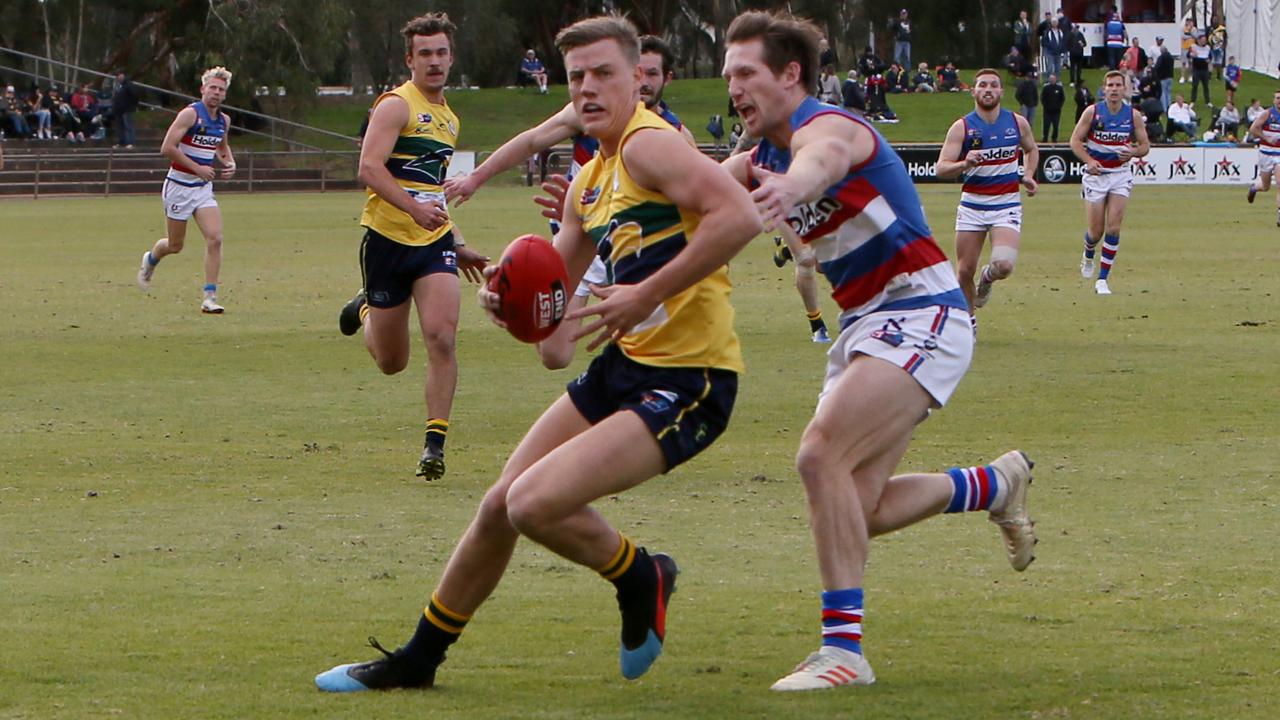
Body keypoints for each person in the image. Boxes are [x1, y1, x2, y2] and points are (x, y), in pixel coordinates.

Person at [315, 13, 762, 693]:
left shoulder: (650, 145)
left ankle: (642, 574)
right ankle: (419, 659)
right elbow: (555, 343)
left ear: (637, 77)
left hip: (690, 379)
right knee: (500, 503)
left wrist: (644, 296)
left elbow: (740, 216)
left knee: (531, 504)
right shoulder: (589, 183)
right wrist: (511, 308)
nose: (587, 88)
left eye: (604, 73)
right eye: (576, 76)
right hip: (624, 367)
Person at [719, 11, 1034, 692]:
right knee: (853, 511)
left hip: (923, 311)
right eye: (728, 76)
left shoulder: (828, 129)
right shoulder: (757, 158)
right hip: (865, 325)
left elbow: (820, 165)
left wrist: (790, 189)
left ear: (791, 74)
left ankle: (843, 653)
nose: (734, 89)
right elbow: (694, 187)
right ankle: (991, 485)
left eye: (746, 73)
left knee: (817, 456)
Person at [444, 33, 696, 369]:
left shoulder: (672, 138)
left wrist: (601, 205)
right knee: (554, 353)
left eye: (653, 74)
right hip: (583, 238)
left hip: (637, 248)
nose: (645, 83)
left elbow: (702, 212)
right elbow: (532, 139)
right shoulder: (587, 116)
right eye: (641, 71)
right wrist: (476, 177)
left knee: (641, 350)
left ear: (667, 78)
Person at [334, 14, 488, 480]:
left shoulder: (449, 118)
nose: (435, 61)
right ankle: (365, 309)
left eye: (441, 52)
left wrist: (455, 241)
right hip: (385, 243)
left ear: (451, 57)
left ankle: (434, 445)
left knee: (441, 337)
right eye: (425, 53)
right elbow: (369, 168)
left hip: (432, 245)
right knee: (391, 362)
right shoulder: (395, 106)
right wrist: (412, 210)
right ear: (410, 59)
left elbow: (433, 191)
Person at [936, 69, 1039, 318]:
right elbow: (941, 168)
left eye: (994, 85)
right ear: (974, 91)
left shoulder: (1017, 123)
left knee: (1003, 265)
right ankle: (968, 322)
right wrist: (964, 163)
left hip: (1006, 205)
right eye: (983, 85)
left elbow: (1031, 149)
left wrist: (1028, 174)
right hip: (972, 206)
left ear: (1001, 91)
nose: (988, 89)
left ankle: (987, 277)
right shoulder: (962, 127)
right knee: (963, 271)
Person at [136, 67, 238, 314]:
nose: (216, 93)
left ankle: (209, 297)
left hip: (202, 189)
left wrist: (229, 163)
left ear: (225, 95)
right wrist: (198, 168)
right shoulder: (189, 114)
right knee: (175, 245)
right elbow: (167, 148)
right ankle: (151, 259)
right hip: (179, 187)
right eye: (212, 87)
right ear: (203, 89)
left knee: (215, 238)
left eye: (221, 90)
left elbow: (221, 147)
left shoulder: (223, 121)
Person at [1069, 70, 1150, 295]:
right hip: (1096, 176)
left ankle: (1103, 279)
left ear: (1125, 89)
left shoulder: (1132, 115)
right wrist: (1089, 160)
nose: (1114, 89)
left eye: (1118, 85)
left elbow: (1145, 146)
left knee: (1114, 226)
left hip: (1120, 174)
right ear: (1104, 89)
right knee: (1096, 231)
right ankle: (1088, 252)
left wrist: (1133, 151)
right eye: (1110, 85)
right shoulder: (1092, 112)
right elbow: (1075, 141)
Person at [1245, 89, 1280, 227]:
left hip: (1279, 155)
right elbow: (1253, 129)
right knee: (1265, 186)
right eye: (1277, 98)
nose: (1279, 100)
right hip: (1265, 154)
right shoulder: (1267, 114)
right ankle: (1254, 188)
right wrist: (1266, 138)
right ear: (1274, 100)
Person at [111, 71, 139, 148]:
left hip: (127, 109)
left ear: (123, 75)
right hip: (118, 109)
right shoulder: (117, 86)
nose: (118, 77)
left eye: (119, 75)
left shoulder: (128, 84)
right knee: (120, 127)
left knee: (128, 126)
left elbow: (135, 95)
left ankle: (130, 142)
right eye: (116, 76)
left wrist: (132, 105)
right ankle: (121, 141)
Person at [1041, 72, 1066, 142]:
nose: (1052, 80)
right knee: (1046, 125)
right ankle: (1045, 137)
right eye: (1050, 79)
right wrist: (1045, 106)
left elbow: (1062, 98)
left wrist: (1059, 106)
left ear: (1056, 79)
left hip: (1056, 111)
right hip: (1047, 111)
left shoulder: (1059, 88)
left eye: (1053, 79)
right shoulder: (1046, 88)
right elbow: (1043, 98)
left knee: (1056, 125)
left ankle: (1054, 138)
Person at [1189, 35, 1212, 106]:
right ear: (1198, 40)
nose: (1204, 41)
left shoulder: (1207, 47)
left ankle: (1207, 102)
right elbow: (1188, 55)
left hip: (1205, 70)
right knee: (1195, 86)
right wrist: (1193, 54)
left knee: (1206, 86)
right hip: (1196, 69)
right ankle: (1193, 101)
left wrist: (1209, 60)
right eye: (1202, 40)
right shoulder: (1193, 47)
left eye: (1205, 40)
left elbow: (1210, 56)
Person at [1155, 44, 1175, 110]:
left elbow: (1157, 67)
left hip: (1163, 78)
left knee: (1163, 93)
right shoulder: (1171, 57)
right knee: (1168, 93)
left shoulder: (1161, 57)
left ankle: (1164, 108)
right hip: (1170, 77)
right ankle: (1169, 107)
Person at [1179, 18, 1197, 84]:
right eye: (1188, 22)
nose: (1189, 23)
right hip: (1184, 47)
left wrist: (1190, 31)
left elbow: (1195, 36)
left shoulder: (1194, 29)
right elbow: (1183, 36)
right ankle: (1182, 77)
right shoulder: (1182, 28)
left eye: (1190, 22)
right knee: (1183, 63)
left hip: (1192, 47)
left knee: (1191, 62)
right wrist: (1190, 35)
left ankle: (1190, 76)